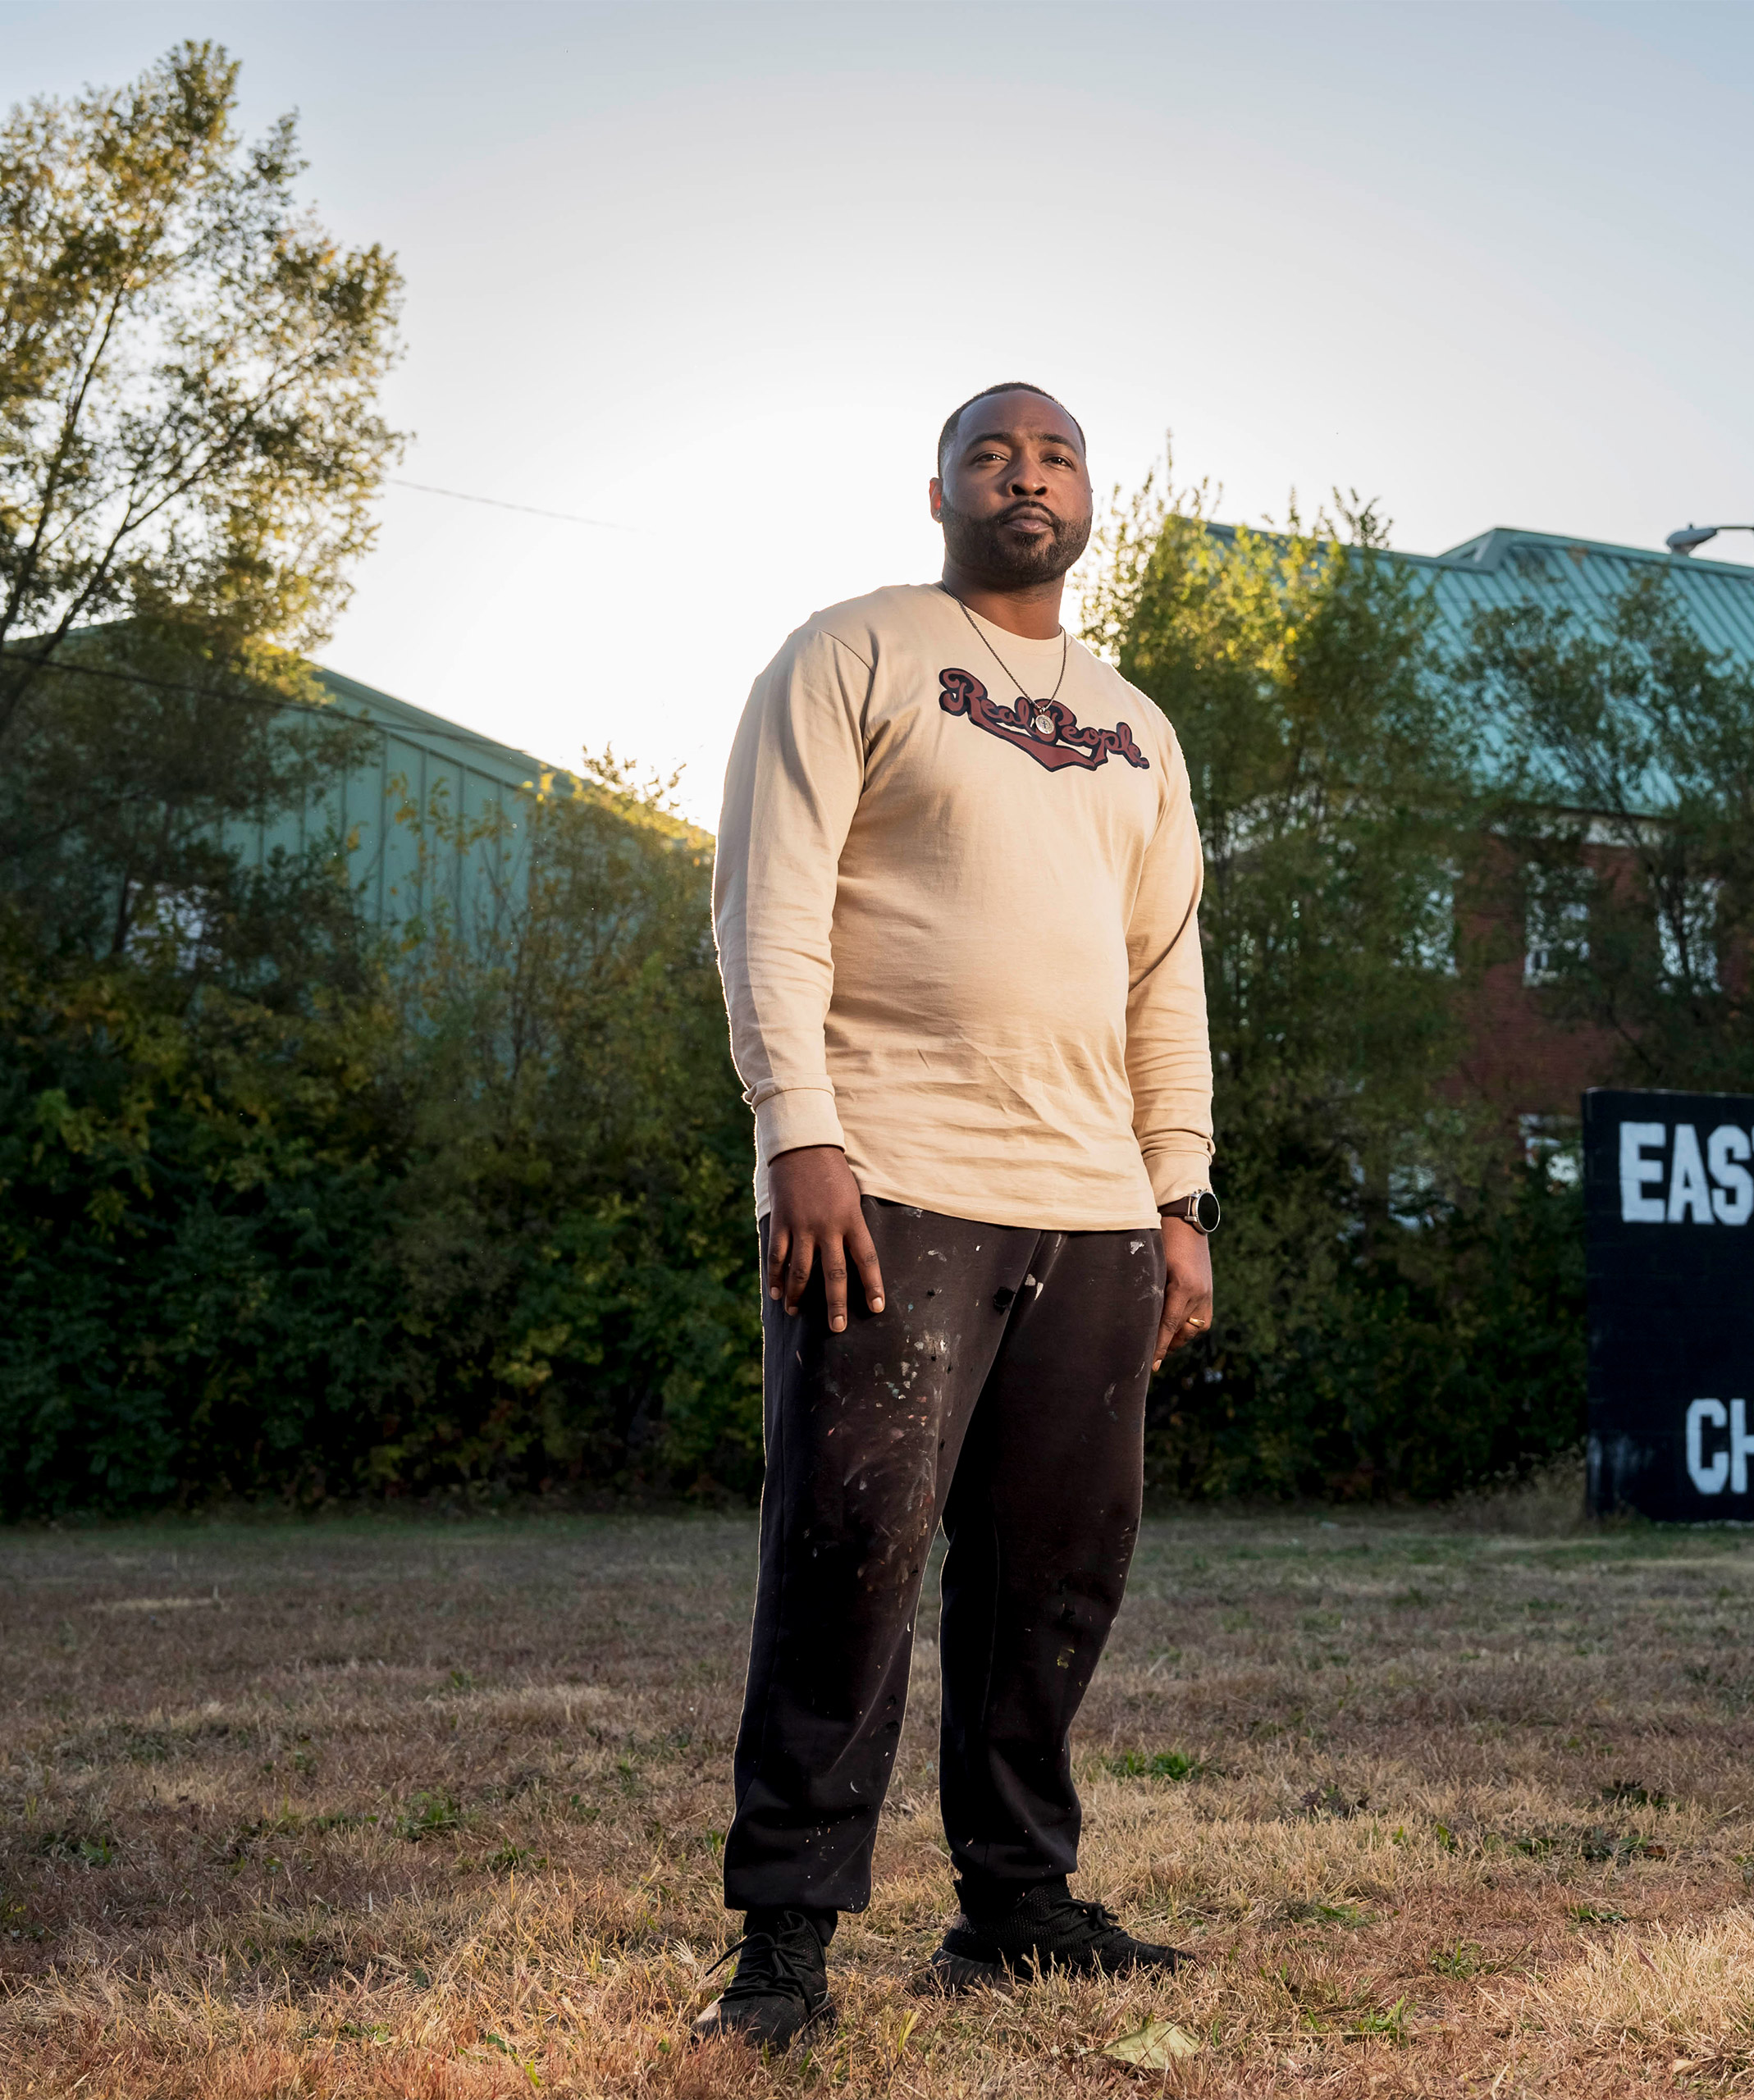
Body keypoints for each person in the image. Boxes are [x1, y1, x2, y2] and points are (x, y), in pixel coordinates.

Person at [695, 381, 1218, 2046]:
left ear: (1090, 497)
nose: (1027, 472)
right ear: (937, 487)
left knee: (1057, 1572)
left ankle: (1017, 1903)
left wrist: (1181, 1191)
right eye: (995, 449)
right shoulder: (849, 653)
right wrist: (800, 1134)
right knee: (848, 1553)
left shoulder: (1137, 722)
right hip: (892, 1177)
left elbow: (1164, 973)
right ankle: (785, 1944)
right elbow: (762, 903)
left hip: (1095, 1203)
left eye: (1057, 452)